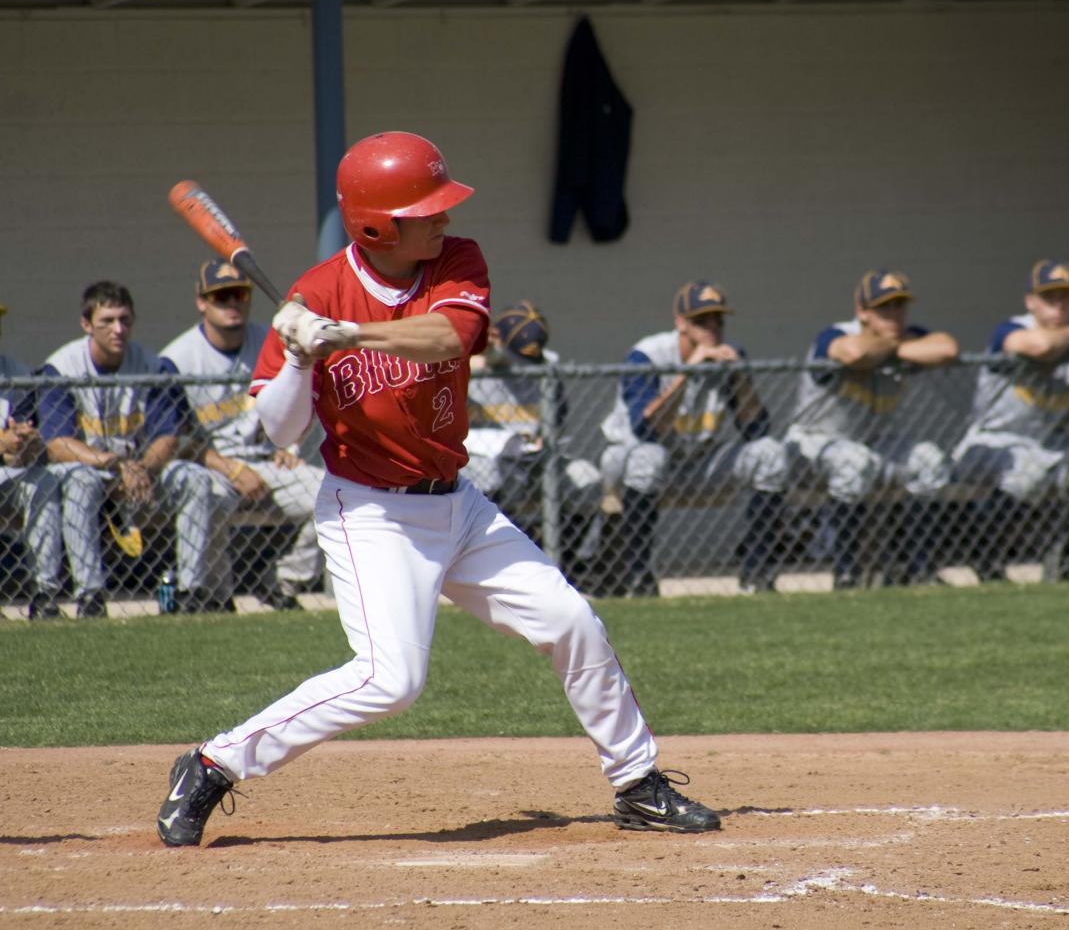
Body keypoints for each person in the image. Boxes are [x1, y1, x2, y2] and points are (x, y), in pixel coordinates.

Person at [156, 131, 718, 849]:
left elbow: (453, 337)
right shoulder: (314, 294)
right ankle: (212, 762)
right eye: (426, 209)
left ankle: (637, 782)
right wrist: (299, 355)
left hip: (459, 503)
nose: (443, 217)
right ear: (376, 223)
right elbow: (280, 428)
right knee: (392, 680)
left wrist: (349, 335)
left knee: (570, 619)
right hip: (370, 511)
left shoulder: (454, 260)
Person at [39, 282, 230, 617]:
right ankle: (91, 595)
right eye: (107, 321)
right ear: (86, 325)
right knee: (81, 481)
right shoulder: (63, 366)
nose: (118, 329)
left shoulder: (152, 366)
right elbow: (57, 444)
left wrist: (141, 469)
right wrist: (115, 465)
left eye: (125, 320)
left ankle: (191, 591)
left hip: (143, 471)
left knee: (194, 478)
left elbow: (167, 436)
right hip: (92, 470)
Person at [600, 282, 788, 596]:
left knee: (769, 453)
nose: (713, 327)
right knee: (650, 457)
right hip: (629, 460)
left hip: (697, 461)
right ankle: (638, 577)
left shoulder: (730, 354)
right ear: (681, 323)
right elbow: (647, 431)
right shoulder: (647, 354)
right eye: (702, 321)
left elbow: (757, 429)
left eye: (719, 320)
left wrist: (739, 374)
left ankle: (757, 574)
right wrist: (687, 372)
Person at [953, 260, 1069, 581]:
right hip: (992, 441)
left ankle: (1068, 555)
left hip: (1050, 444)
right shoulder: (1011, 328)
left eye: (1067, 297)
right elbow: (1037, 346)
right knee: (1027, 472)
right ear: (1031, 302)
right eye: (1049, 298)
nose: (1059, 305)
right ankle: (984, 555)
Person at [160, 258, 325, 611]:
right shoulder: (176, 358)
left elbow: (300, 394)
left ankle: (282, 580)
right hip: (208, 465)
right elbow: (173, 438)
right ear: (201, 301)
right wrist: (231, 469)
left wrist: (289, 444)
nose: (233, 303)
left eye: (239, 294)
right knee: (208, 495)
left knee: (332, 494)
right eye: (221, 297)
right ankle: (212, 597)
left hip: (266, 461)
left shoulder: (271, 340)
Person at [785, 270, 959, 588]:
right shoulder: (834, 334)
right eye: (884, 307)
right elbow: (854, 353)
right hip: (814, 446)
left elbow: (947, 348)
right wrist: (898, 348)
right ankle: (846, 572)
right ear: (862, 311)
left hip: (875, 444)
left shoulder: (906, 336)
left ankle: (920, 569)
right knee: (853, 462)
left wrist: (892, 347)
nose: (894, 314)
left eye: (899, 306)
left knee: (929, 459)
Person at [462, 300, 602, 569]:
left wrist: (544, 437)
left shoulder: (545, 367)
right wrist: (474, 358)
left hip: (535, 459)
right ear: (496, 338)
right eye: (518, 355)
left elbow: (558, 418)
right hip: (483, 457)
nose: (525, 362)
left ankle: (562, 565)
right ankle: (495, 563)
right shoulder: (473, 364)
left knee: (586, 480)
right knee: (488, 475)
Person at [0, 302, 69, 620]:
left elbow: (21, 452)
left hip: (9, 477)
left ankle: (45, 592)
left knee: (43, 480)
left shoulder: (18, 375)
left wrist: (22, 445)